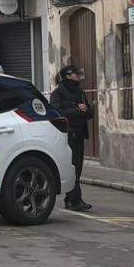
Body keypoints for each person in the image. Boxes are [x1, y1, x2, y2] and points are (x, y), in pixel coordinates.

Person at [49, 64, 92, 212]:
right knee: (72, 166)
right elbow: (57, 112)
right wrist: (76, 110)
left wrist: (86, 110)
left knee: (77, 167)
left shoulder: (79, 92)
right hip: (67, 135)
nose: (78, 76)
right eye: (76, 74)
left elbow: (89, 112)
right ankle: (74, 199)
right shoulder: (58, 93)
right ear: (68, 75)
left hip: (79, 134)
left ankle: (73, 199)